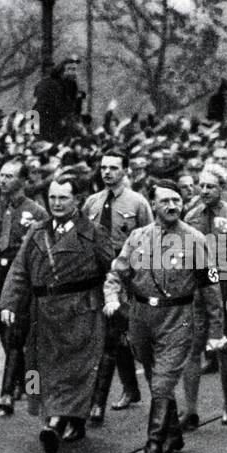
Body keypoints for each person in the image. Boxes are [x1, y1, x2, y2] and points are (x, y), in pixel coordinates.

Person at [104, 180, 225, 453]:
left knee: (162, 381)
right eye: (165, 201)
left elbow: (211, 287)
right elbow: (117, 272)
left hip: (178, 317)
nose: (172, 206)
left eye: (177, 201)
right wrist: (110, 297)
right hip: (141, 316)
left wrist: (216, 330)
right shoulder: (138, 237)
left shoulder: (196, 239)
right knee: (157, 378)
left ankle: (153, 448)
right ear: (154, 205)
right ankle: (173, 434)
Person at [0, 177, 114, 453]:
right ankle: (61, 418)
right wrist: (9, 303)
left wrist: (113, 300)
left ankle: (56, 422)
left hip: (80, 312)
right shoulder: (37, 232)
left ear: (77, 200)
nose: (57, 204)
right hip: (44, 313)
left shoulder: (93, 233)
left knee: (75, 370)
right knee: (41, 369)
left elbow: (113, 269)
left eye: (63, 198)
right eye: (52, 198)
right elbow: (19, 271)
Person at [181, 165, 227, 427]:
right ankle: (190, 410)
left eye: (210, 186)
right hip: (197, 291)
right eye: (200, 186)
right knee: (192, 349)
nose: (204, 191)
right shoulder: (190, 216)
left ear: (221, 188)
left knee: (224, 348)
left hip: (225, 289)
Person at [83, 150, 152, 423]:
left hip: (125, 275)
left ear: (125, 170)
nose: (107, 172)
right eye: (103, 168)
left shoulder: (137, 203)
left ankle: (100, 402)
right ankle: (129, 390)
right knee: (111, 335)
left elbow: (149, 239)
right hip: (96, 275)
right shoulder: (93, 202)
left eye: (113, 167)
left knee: (114, 336)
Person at [0, 159, 49, 413]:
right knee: (2, 328)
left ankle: (7, 392)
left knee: (16, 331)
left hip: (20, 275)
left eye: (10, 176)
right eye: (1, 175)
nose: (3, 180)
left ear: (23, 180)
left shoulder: (37, 212)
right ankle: (21, 381)